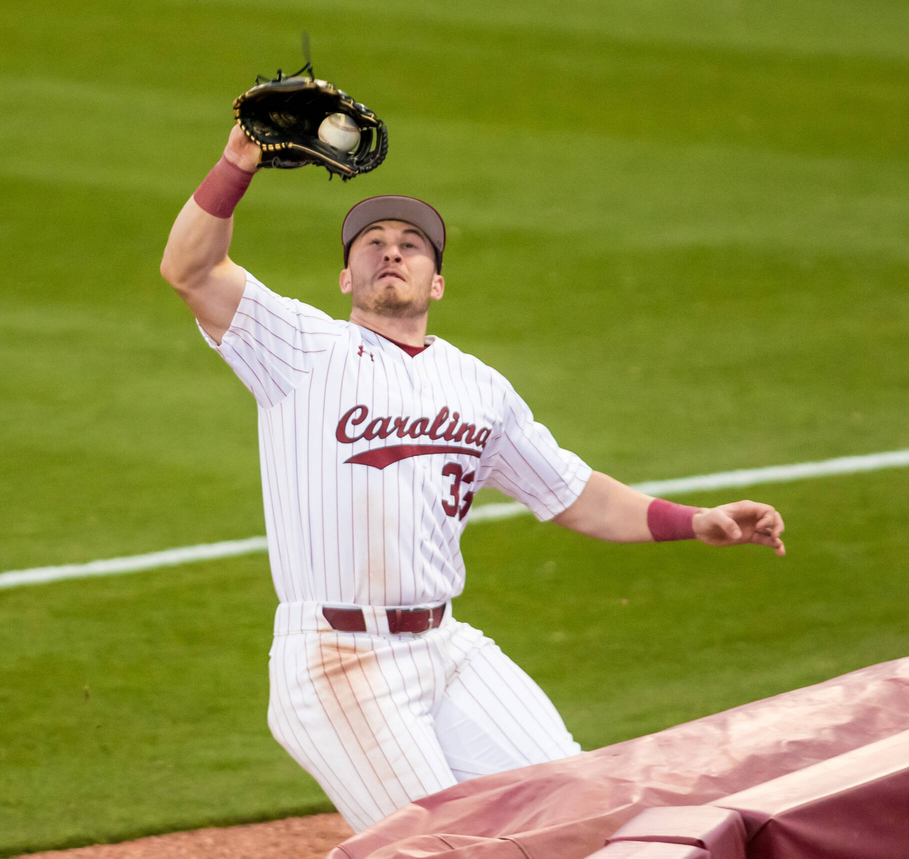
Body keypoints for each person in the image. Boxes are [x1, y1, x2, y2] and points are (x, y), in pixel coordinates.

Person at [159, 126, 787, 831]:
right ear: (346, 277)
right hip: (339, 663)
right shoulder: (302, 347)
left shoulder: (478, 386)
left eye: (411, 243)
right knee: (444, 847)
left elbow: (573, 492)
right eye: (371, 242)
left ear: (437, 280)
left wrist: (691, 519)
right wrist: (236, 163)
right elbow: (190, 270)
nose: (390, 249)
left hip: (446, 648)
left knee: (585, 812)